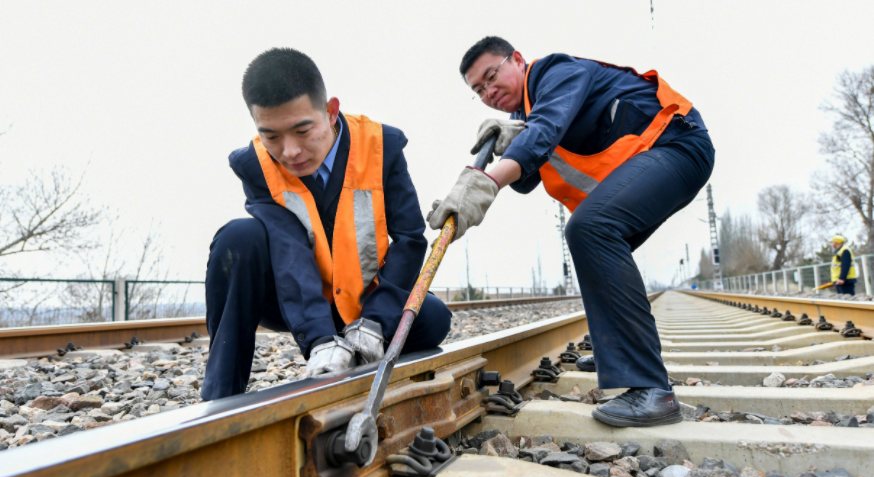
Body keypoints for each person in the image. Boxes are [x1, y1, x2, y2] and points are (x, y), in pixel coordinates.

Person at [430, 36, 715, 427]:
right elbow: (529, 173)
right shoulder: (535, 115)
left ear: (518, 59)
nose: (488, 92)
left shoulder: (555, 72)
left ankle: (653, 390)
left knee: (591, 228)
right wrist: (512, 137)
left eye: (492, 76)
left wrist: (481, 182)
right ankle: (618, 350)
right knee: (593, 242)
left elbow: (544, 132)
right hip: (657, 155)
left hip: (676, 143)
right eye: (478, 90)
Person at [202, 48, 451, 401]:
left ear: (331, 111)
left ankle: (367, 356)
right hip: (297, 299)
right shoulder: (256, 166)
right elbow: (287, 246)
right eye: (272, 136)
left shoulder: (382, 147)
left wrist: (376, 320)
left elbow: (409, 239)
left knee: (434, 319)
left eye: (303, 130)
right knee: (238, 239)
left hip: (367, 300)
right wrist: (319, 338)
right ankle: (220, 399)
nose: (289, 151)